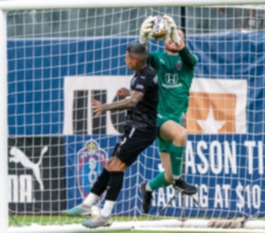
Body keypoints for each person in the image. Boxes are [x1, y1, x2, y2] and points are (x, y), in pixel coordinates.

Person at [63, 43, 158, 228]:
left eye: (127, 57)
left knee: (116, 165)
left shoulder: (146, 76)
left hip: (141, 129)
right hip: (135, 127)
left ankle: (105, 214)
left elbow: (134, 102)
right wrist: (129, 93)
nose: (124, 60)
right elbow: (143, 97)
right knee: (110, 164)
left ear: (136, 60)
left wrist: (106, 106)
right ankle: (87, 204)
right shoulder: (142, 75)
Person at [138, 15, 198, 214]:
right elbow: (142, 58)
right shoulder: (157, 58)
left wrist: (179, 42)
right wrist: (143, 39)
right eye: (170, 36)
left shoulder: (188, 61)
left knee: (168, 176)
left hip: (175, 120)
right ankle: (180, 181)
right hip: (159, 116)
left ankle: (147, 188)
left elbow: (189, 57)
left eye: (177, 36)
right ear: (163, 39)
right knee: (181, 134)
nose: (173, 38)